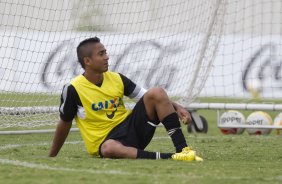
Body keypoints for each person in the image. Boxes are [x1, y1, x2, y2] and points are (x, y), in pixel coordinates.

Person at [49, 37, 203, 161]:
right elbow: (65, 122)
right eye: (101, 54)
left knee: (156, 91)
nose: (107, 57)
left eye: (106, 52)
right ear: (87, 61)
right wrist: (52, 155)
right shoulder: (73, 88)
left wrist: (177, 107)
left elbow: (151, 97)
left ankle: (183, 150)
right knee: (109, 148)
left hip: (132, 129)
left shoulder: (117, 78)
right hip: (107, 142)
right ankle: (172, 158)